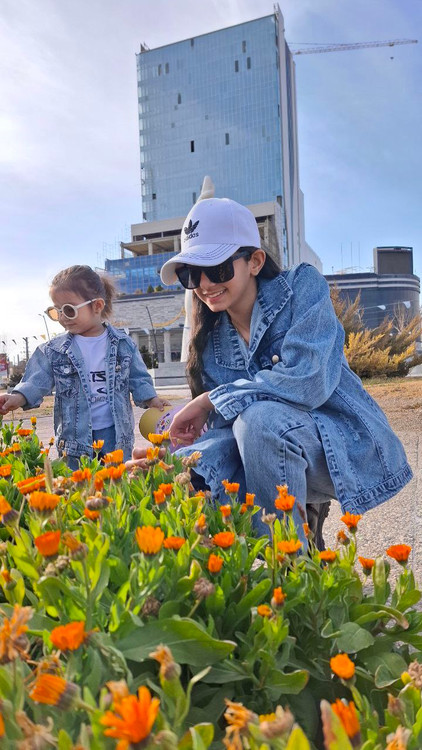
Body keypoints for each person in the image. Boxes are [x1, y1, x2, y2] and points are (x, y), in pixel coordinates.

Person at [153, 188, 412, 543]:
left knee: (259, 420)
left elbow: (309, 379)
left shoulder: (302, 287)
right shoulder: (209, 343)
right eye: (191, 275)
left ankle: (290, 564)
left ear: (255, 261)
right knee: (215, 448)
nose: (205, 285)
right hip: (265, 457)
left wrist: (210, 399)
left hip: (342, 448)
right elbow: (228, 436)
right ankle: (297, 550)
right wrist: (176, 462)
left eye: (217, 268)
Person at [0, 265, 168, 469]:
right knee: (80, 485)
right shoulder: (54, 350)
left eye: (69, 310)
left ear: (97, 306)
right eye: (56, 312)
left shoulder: (123, 345)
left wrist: (151, 399)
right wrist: (17, 397)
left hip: (116, 436)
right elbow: (36, 381)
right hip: (74, 442)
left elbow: (138, 378)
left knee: (116, 485)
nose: (62, 318)